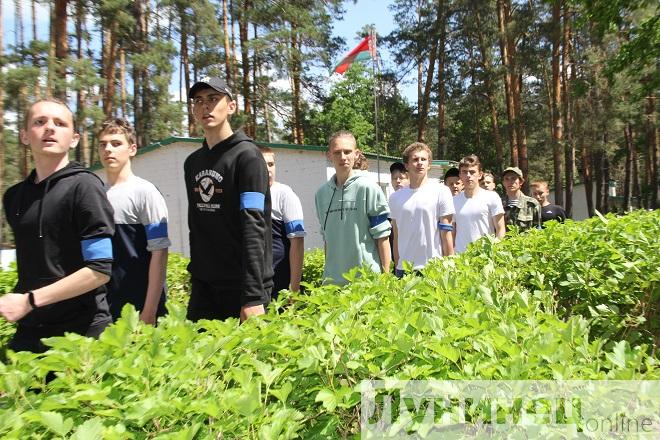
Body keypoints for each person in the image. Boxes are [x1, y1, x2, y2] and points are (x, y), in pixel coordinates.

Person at [0, 99, 114, 353]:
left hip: (82, 334)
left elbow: (99, 269)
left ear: (74, 139)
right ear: (24, 136)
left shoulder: (85, 187)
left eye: (59, 123)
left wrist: (29, 301)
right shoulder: (14, 197)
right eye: (40, 122)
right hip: (30, 331)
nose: (49, 128)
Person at [184, 77, 273, 322]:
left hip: (243, 287)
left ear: (231, 107)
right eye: (199, 101)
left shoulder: (248, 157)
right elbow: (197, 226)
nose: (205, 107)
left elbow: (253, 225)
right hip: (205, 289)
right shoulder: (193, 163)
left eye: (213, 99)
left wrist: (253, 296)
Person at [98, 118, 170, 324]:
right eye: (103, 144)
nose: (108, 149)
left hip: (141, 307)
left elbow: (160, 253)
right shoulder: (95, 194)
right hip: (105, 309)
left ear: (132, 149)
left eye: (116, 143)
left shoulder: (146, 192)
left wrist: (150, 310)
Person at [314, 130, 391, 285]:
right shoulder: (321, 194)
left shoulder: (368, 188)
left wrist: (386, 278)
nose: (342, 157)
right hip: (332, 284)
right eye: (337, 152)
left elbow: (382, 236)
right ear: (329, 155)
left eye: (347, 152)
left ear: (356, 154)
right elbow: (328, 240)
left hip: (366, 281)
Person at [389, 142, 454, 276]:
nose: (420, 163)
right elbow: (396, 235)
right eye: (415, 159)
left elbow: (446, 233)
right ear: (406, 165)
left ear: (429, 164)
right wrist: (397, 266)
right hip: (404, 269)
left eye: (423, 159)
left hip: (433, 267)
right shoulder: (395, 198)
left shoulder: (441, 191)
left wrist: (450, 266)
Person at [260, 147, 305, 297]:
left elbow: (297, 243)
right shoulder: (244, 195)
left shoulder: (285, 194)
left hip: (280, 283)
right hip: (255, 283)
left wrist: (294, 290)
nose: (268, 170)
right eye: (262, 164)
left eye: (271, 164)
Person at [453, 155, 505, 253]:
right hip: (460, 259)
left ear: (480, 175)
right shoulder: (453, 201)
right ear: (460, 175)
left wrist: (496, 251)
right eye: (464, 172)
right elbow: (452, 233)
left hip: (485, 256)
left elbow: (500, 229)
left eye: (472, 172)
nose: (468, 175)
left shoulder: (492, 197)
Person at [502, 166, 542, 231]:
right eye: (507, 179)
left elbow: (537, 229)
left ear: (521, 182)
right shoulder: (498, 203)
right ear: (503, 183)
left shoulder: (532, 204)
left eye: (513, 178)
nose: (510, 182)